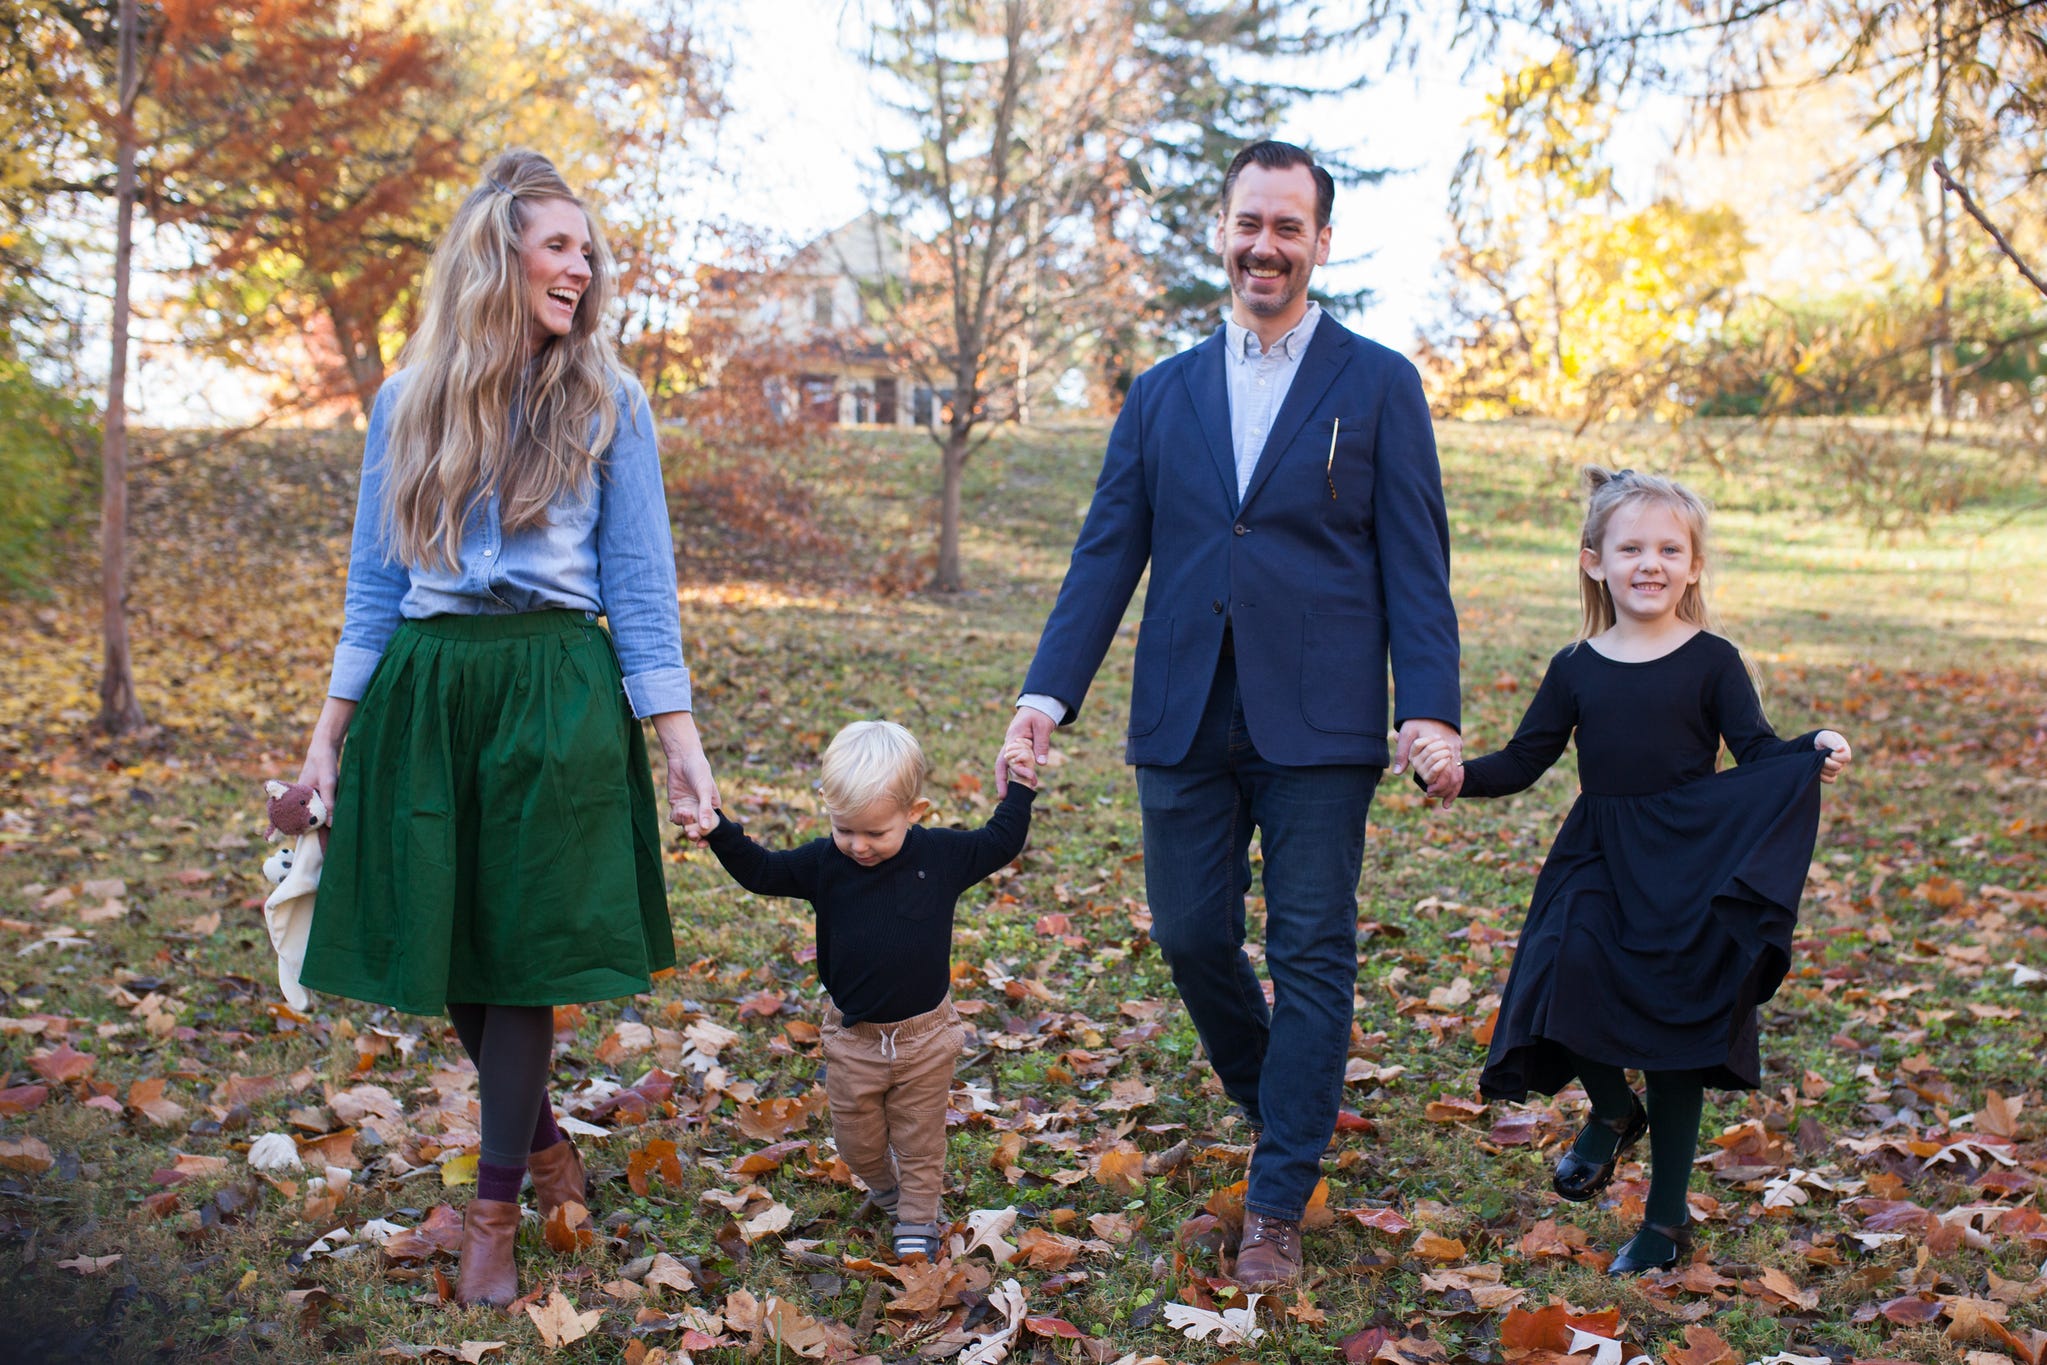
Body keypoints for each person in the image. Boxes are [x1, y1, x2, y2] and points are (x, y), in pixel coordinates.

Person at [997, 140, 1463, 1288]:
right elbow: (1106, 554)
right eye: (1249, 222)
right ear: (1222, 230)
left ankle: (1276, 1200)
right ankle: (1284, 1106)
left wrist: (1429, 708)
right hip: (1183, 711)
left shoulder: (1378, 383)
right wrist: (1044, 696)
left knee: (1311, 952)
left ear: (1320, 242)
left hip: (1322, 719)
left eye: (1287, 226)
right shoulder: (1161, 394)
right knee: (1190, 935)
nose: (1266, 245)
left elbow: (1417, 564)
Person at [291, 150, 720, 1308]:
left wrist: (678, 739)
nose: (582, 267)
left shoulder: (609, 400)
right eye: (559, 246)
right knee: (454, 947)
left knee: (521, 952)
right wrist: (328, 734)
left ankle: (494, 1216)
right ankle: (540, 1144)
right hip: (428, 690)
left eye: (588, 250)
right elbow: (374, 587)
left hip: (554, 687)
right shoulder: (407, 400)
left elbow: (640, 587)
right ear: (498, 257)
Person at [1411, 467, 1852, 1274]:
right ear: (1594, 562)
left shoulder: (1712, 660)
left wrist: (1809, 748)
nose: (1649, 563)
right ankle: (1614, 1111)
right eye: (1630, 548)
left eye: (1668, 549)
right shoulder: (1576, 664)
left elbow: (1755, 749)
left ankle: (1664, 1221)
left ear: (1693, 565)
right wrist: (1456, 776)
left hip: (1686, 859)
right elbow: (1525, 757)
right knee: (1562, 974)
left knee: (1672, 1033)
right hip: (1596, 853)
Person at [696, 722, 1037, 1260]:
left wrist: (1020, 787)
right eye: (845, 829)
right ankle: (885, 1188)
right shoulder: (824, 864)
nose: (859, 846)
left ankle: (918, 1217)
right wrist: (719, 829)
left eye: (876, 833)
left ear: (914, 812)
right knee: (857, 1143)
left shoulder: (941, 857)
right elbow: (762, 871)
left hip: (925, 1036)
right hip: (854, 1038)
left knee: (919, 1138)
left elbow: (1000, 841)